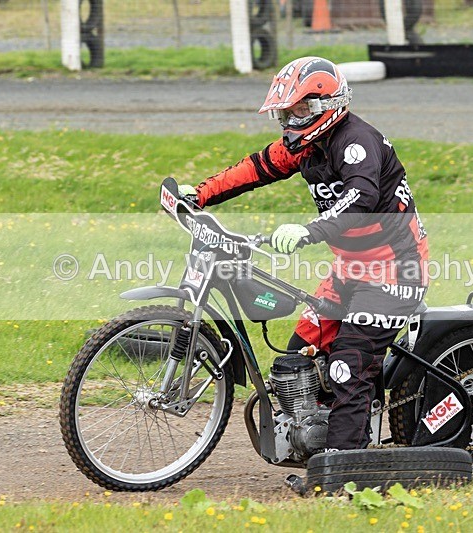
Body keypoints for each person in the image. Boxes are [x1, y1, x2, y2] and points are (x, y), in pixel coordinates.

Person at [179, 56, 428, 451]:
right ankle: (318, 434)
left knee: (347, 367)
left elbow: (360, 198)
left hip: (394, 270)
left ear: (327, 106)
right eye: (286, 113)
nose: (292, 122)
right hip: (350, 267)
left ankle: (344, 466)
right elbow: (257, 167)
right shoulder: (305, 146)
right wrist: (201, 193)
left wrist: (308, 231)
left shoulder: (357, 143)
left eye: (301, 110)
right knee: (300, 353)